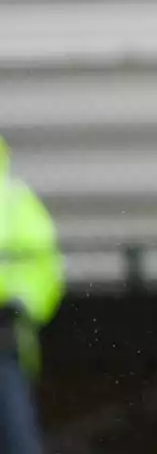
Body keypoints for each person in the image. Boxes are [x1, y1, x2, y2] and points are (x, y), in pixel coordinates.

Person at [0, 136, 64, 454]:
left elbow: (46, 268)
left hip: (5, 339)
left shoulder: (15, 200)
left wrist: (21, 305)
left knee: (17, 437)